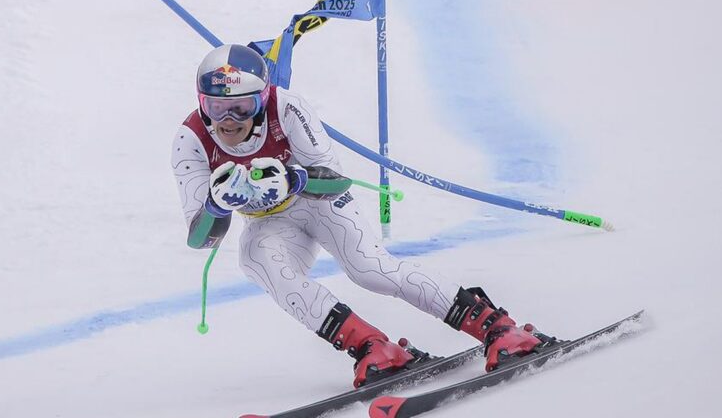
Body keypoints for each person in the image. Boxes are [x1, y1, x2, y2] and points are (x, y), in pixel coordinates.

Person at [171, 44, 545, 388]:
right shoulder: (190, 140)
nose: (230, 120)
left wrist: (292, 179)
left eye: (244, 106)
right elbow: (200, 238)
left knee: (370, 269)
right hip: (270, 223)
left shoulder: (285, 107)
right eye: (218, 108)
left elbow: (335, 181)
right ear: (203, 104)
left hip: (317, 202)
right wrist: (216, 206)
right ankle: (371, 346)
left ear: (263, 98)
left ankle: (495, 325)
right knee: (257, 259)